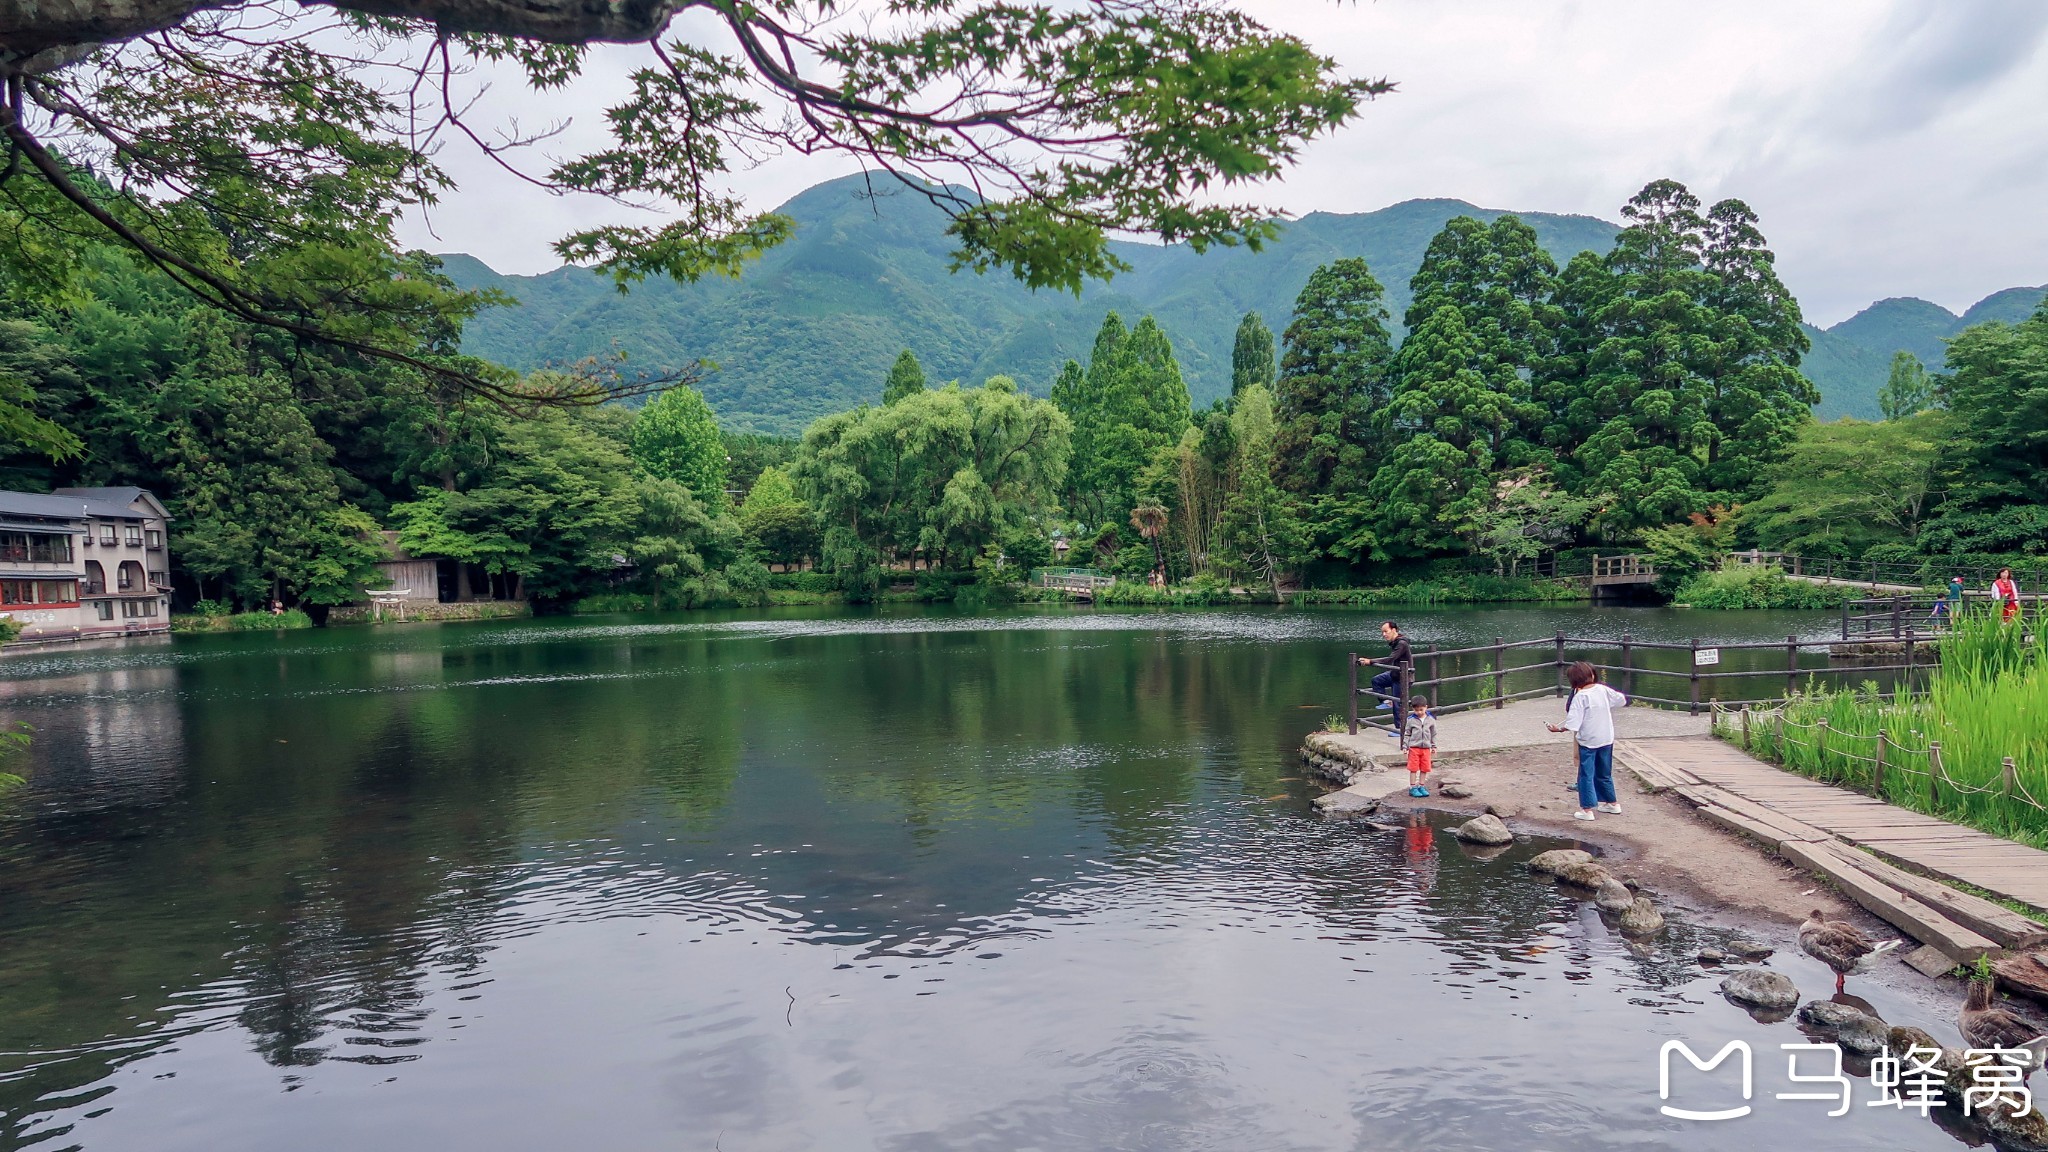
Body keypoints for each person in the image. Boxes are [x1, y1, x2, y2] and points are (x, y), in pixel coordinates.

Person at [1548, 660, 1627, 822]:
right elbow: (1621, 700)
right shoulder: (1603, 690)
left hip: (1589, 741)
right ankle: (1612, 803)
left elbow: (1573, 723)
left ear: (1573, 681)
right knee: (1604, 772)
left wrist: (1558, 729)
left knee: (1586, 775)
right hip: (1606, 738)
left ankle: (1587, 809)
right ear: (1592, 674)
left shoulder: (1580, 696)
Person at [1357, 621, 1413, 718]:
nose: (1384, 634)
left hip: (1403, 677)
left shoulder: (1401, 644)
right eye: (1382, 632)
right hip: (1395, 674)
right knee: (1377, 680)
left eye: (1386, 631)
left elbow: (1390, 659)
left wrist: (1370, 661)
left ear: (1394, 630)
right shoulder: (1396, 642)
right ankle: (1386, 701)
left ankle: (1400, 730)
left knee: (1397, 704)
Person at [1401, 695, 1436, 797]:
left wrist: (1434, 746)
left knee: (1425, 768)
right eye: (1417, 710)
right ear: (1413, 709)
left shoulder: (1430, 719)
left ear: (1426, 707)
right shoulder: (1411, 720)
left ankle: (1421, 785)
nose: (1419, 712)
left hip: (1426, 748)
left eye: (1421, 709)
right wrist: (1405, 746)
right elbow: (1407, 734)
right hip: (1414, 748)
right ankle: (1412, 787)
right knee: (1413, 768)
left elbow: (1433, 733)